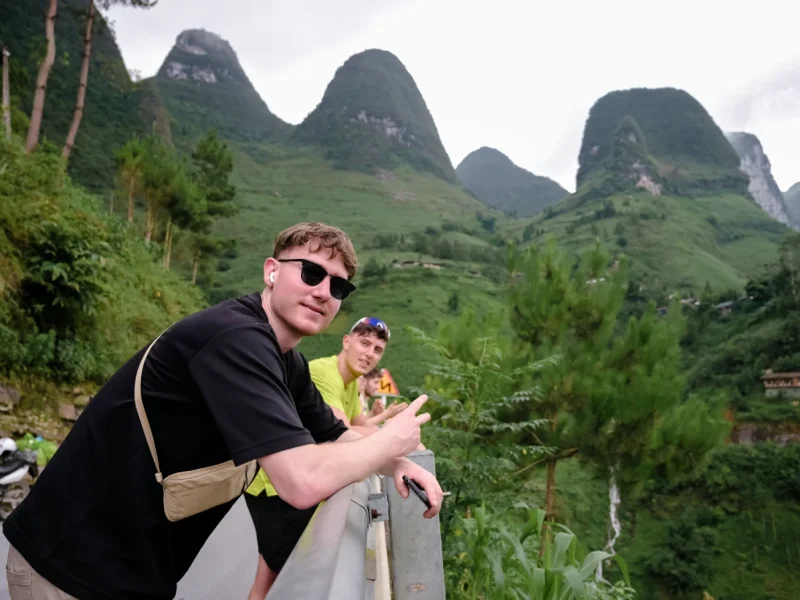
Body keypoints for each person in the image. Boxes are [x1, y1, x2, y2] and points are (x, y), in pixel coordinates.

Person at [2, 222, 443, 600]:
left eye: (338, 286)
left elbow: (334, 432)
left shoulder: (283, 357)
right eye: (310, 272)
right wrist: (388, 440)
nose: (323, 291)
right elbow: (300, 480)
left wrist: (397, 463)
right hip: (69, 565)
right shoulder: (235, 339)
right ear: (272, 271)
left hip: (131, 568)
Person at [243, 316, 408, 599]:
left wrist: (390, 433)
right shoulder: (324, 373)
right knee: (272, 580)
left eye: (377, 349)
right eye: (364, 342)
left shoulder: (351, 383)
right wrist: (396, 440)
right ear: (346, 341)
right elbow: (341, 431)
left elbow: (362, 427)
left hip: (294, 481)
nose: (369, 353)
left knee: (272, 579)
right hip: (276, 486)